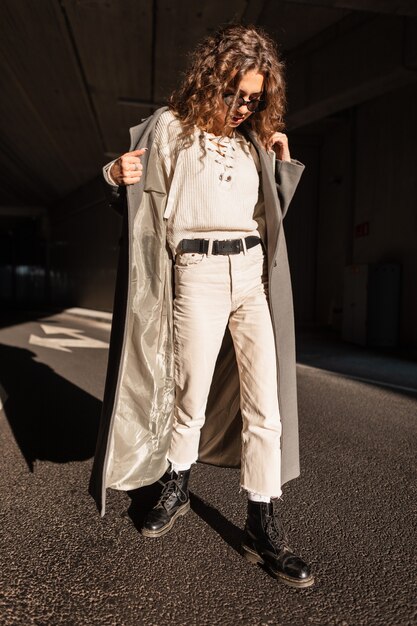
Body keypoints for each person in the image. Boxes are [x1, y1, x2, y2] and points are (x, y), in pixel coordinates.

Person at [89, 24, 314, 589]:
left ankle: (263, 523)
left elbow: (270, 223)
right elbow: (136, 200)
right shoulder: (172, 129)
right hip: (197, 269)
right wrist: (114, 176)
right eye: (235, 92)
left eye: (254, 99)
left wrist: (281, 168)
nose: (242, 106)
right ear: (213, 78)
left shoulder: (253, 142)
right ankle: (176, 484)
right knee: (188, 393)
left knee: (266, 405)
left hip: (250, 276)